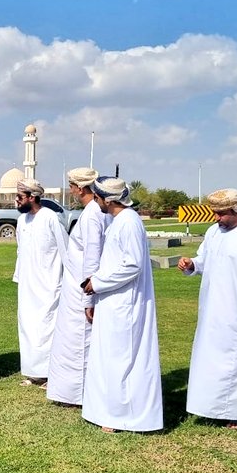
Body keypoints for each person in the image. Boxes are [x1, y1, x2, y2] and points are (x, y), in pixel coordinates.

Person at [177, 188, 237, 426]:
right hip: (212, 310)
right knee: (210, 361)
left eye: (222, 213)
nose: (217, 218)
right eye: (215, 213)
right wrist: (192, 264)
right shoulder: (213, 232)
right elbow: (204, 260)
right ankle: (210, 408)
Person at [80, 177, 164, 432]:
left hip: (124, 302)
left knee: (122, 358)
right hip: (112, 300)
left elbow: (132, 265)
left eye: (97, 198)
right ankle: (109, 411)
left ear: (109, 199)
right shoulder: (119, 222)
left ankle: (121, 415)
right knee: (109, 357)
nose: (95, 202)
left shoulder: (129, 222)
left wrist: (97, 282)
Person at [46, 167, 109, 407]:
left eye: (71, 186)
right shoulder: (91, 211)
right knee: (70, 339)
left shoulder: (93, 213)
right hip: (74, 286)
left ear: (80, 188)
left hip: (82, 289)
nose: (71, 191)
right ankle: (69, 392)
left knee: (80, 341)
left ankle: (80, 393)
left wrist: (88, 299)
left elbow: (92, 256)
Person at [13, 177, 68, 385]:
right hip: (28, 285)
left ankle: (50, 374)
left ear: (32, 197)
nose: (16, 201)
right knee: (28, 327)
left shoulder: (50, 217)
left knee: (46, 329)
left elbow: (65, 250)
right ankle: (33, 373)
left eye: (20, 197)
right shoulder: (21, 221)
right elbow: (20, 251)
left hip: (49, 284)